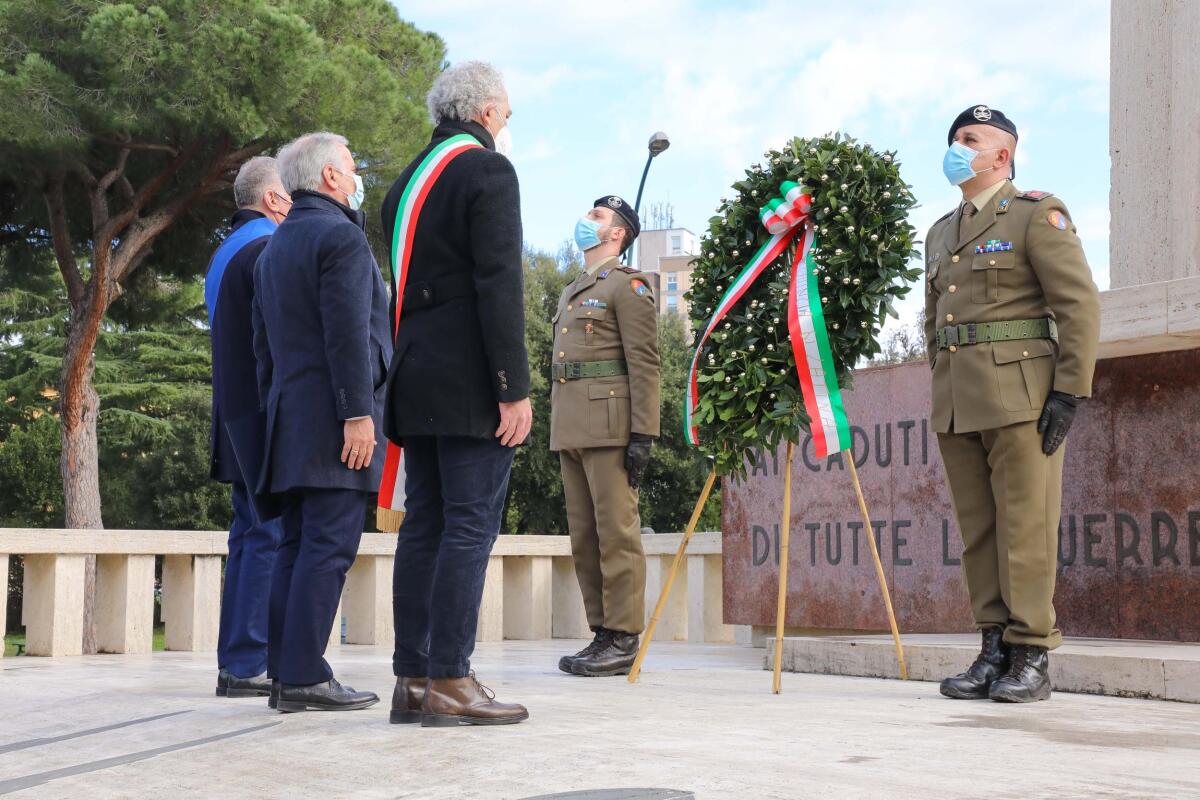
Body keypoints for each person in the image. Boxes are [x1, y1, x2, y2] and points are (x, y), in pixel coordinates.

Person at [925, 105, 1100, 703]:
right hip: (957, 398)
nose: (957, 147)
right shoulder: (941, 230)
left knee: (1026, 528)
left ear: (1002, 155)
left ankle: (1031, 654)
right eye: (953, 138)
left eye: (970, 139)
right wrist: (939, 380)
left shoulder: (1034, 215)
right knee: (979, 532)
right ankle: (993, 646)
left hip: (1023, 397)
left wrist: (1070, 390)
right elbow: (935, 323)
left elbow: (1078, 306)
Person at [380, 61, 531, 727]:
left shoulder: (404, 185)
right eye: (507, 112)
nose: (506, 124)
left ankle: (412, 678)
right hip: (470, 378)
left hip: (413, 374)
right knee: (469, 526)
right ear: (488, 111)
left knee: (426, 526)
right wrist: (513, 388)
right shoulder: (485, 170)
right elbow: (500, 286)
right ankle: (451, 678)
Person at [251, 132, 391, 712]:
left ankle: (287, 673)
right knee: (328, 546)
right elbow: (348, 337)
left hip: (290, 419)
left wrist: (277, 412)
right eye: (352, 166)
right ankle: (306, 674)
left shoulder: (276, 245)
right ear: (331, 178)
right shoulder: (341, 239)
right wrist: (357, 414)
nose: (356, 176)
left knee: (297, 547)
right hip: (336, 422)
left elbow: (264, 349)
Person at [552, 196, 660, 677]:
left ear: (617, 234)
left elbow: (645, 363)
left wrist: (643, 434)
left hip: (611, 426)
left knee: (616, 533)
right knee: (584, 537)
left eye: (596, 217)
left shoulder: (627, 286)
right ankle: (602, 634)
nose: (585, 220)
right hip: (572, 424)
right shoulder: (573, 288)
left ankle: (624, 635)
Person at [207, 156, 289, 699]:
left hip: (234, 413)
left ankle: (239, 658)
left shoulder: (226, 248)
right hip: (259, 414)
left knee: (249, 536)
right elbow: (276, 339)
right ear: (273, 199)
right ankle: (248, 661)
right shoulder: (264, 247)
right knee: (266, 536)